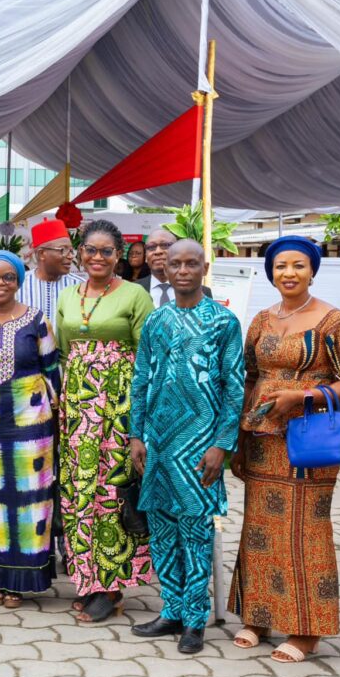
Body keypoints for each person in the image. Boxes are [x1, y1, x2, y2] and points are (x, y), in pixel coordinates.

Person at [229, 235, 340, 662]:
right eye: (280, 266)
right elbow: (250, 377)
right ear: (270, 272)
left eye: (298, 266)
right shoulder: (260, 320)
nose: (289, 273)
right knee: (258, 528)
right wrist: (238, 438)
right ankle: (257, 615)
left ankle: (307, 629)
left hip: (310, 442)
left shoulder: (333, 321)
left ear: (312, 270)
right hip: (262, 440)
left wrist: (304, 398)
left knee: (304, 532)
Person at [128, 240, 245, 654]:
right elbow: (141, 378)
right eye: (174, 263)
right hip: (157, 444)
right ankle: (171, 611)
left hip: (199, 445)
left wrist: (221, 444)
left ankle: (195, 621)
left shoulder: (223, 322)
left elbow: (234, 387)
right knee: (161, 530)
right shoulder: (157, 320)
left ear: (204, 267)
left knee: (194, 532)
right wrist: (136, 434)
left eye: (190, 263)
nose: (181, 270)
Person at [56, 220, 154, 623]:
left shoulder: (135, 294)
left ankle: (112, 588)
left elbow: (148, 358)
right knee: (80, 491)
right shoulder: (67, 295)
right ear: (80, 252)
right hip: (78, 406)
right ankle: (89, 580)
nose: (97, 257)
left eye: (107, 251)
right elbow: (65, 352)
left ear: (119, 256)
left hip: (118, 405)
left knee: (111, 493)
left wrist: (136, 422)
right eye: (90, 250)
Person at [0, 251, 61, 608]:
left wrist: (57, 418)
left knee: (30, 502)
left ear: (19, 281)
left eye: (8, 277)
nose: (0, 284)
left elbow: (53, 372)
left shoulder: (37, 320)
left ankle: (21, 580)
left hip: (31, 428)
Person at [18, 217, 82, 327]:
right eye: (63, 250)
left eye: (71, 250)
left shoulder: (80, 287)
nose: (71, 256)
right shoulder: (18, 285)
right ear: (42, 254)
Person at [137, 228, 212, 305]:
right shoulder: (134, 290)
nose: (158, 251)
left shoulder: (204, 292)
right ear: (145, 256)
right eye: (151, 247)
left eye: (165, 245)